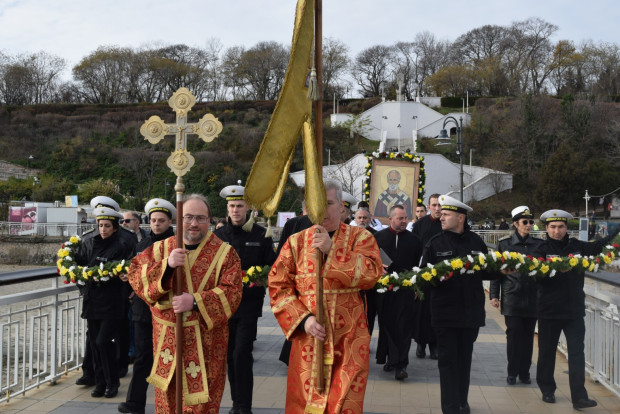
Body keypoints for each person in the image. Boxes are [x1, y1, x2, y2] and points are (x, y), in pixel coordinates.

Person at [269, 181, 382, 413]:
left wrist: (334, 251)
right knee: (305, 404)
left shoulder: (360, 237)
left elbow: (371, 274)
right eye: (316, 204)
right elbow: (278, 285)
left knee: (343, 404)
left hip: (349, 341)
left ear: (340, 206)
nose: (322, 210)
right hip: (309, 341)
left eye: (328, 203)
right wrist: (303, 319)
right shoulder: (295, 242)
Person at [127, 194, 243, 413]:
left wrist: (197, 301)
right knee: (168, 403)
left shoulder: (226, 254)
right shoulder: (160, 250)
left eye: (200, 218)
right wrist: (167, 266)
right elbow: (135, 274)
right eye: (188, 217)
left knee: (202, 404)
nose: (194, 223)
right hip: (168, 344)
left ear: (209, 220)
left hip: (207, 346)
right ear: (179, 220)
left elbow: (233, 292)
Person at [420, 195, 499, 414]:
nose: (441, 217)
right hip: (444, 314)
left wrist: (501, 270)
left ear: (460, 217)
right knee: (447, 362)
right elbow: (423, 277)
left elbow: (488, 270)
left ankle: (462, 401)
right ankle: (450, 407)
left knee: (464, 360)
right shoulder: (434, 243)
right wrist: (437, 278)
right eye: (441, 213)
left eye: (446, 214)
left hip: (470, 313)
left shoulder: (476, 242)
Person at [535, 209, 619, 409]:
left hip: (573, 310)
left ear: (566, 228)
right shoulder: (541, 249)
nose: (557, 231)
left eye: (561, 227)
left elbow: (599, 247)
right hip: (549, 310)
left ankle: (579, 397)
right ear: (546, 228)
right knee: (546, 353)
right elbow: (535, 276)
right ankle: (547, 389)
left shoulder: (576, 246)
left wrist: (616, 235)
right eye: (553, 227)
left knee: (577, 354)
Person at [214, 185, 276, 414]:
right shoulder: (218, 236)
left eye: (240, 206)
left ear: (247, 208)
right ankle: (237, 403)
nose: (236, 210)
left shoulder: (261, 234)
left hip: (249, 305)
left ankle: (244, 406)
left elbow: (272, 265)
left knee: (242, 352)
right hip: (224, 306)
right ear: (227, 208)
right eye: (232, 206)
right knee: (230, 355)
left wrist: (263, 278)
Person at [118, 198, 176, 414]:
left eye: (161, 220)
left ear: (169, 221)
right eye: (153, 220)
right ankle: (135, 402)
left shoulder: (177, 245)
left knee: (171, 357)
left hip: (168, 309)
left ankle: (172, 403)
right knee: (143, 355)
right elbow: (135, 274)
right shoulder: (141, 245)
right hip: (143, 309)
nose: (157, 224)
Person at [74, 206, 135, 399]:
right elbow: (81, 266)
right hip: (93, 301)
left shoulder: (121, 245)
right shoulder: (90, 243)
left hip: (112, 301)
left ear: (115, 227)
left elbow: (128, 269)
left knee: (103, 341)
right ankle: (100, 383)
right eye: (100, 225)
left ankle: (112, 382)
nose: (103, 229)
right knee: (94, 343)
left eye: (107, 226)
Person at [489, 206, 543, 386]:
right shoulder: (505, 244)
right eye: (525, 222)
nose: (529, 225)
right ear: (515, 224)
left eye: (530, 222)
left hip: (533, 297)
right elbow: (497, 271)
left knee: (528, 337)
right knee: (513, 336)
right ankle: (512, 371)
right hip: (512, 296)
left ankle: (525, 372)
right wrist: (494, 295)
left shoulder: (538, 245)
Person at [374, 205, 422, 380]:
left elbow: (418, 266)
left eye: (406, 218)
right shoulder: (377, 238)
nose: (405, 221)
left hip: (406, 290)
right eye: (401, 218)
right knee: (387, 325)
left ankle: (401, 364)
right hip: (384, 290)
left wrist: (417, 287)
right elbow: (369, 260)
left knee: (403, 327)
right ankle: (390, 359)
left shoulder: (415, 240)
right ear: (391, 219)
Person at [411, 193, 442, 359]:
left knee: (436, 311)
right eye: (434, 205)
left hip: (440, 274)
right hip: (422, 274)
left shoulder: (446, 223)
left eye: (439, 205)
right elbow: (415, 249)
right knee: (422, 312)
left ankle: (434, 345)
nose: (437, 208)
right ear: (428, 207)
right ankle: (421, 344)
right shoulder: (420, 224)